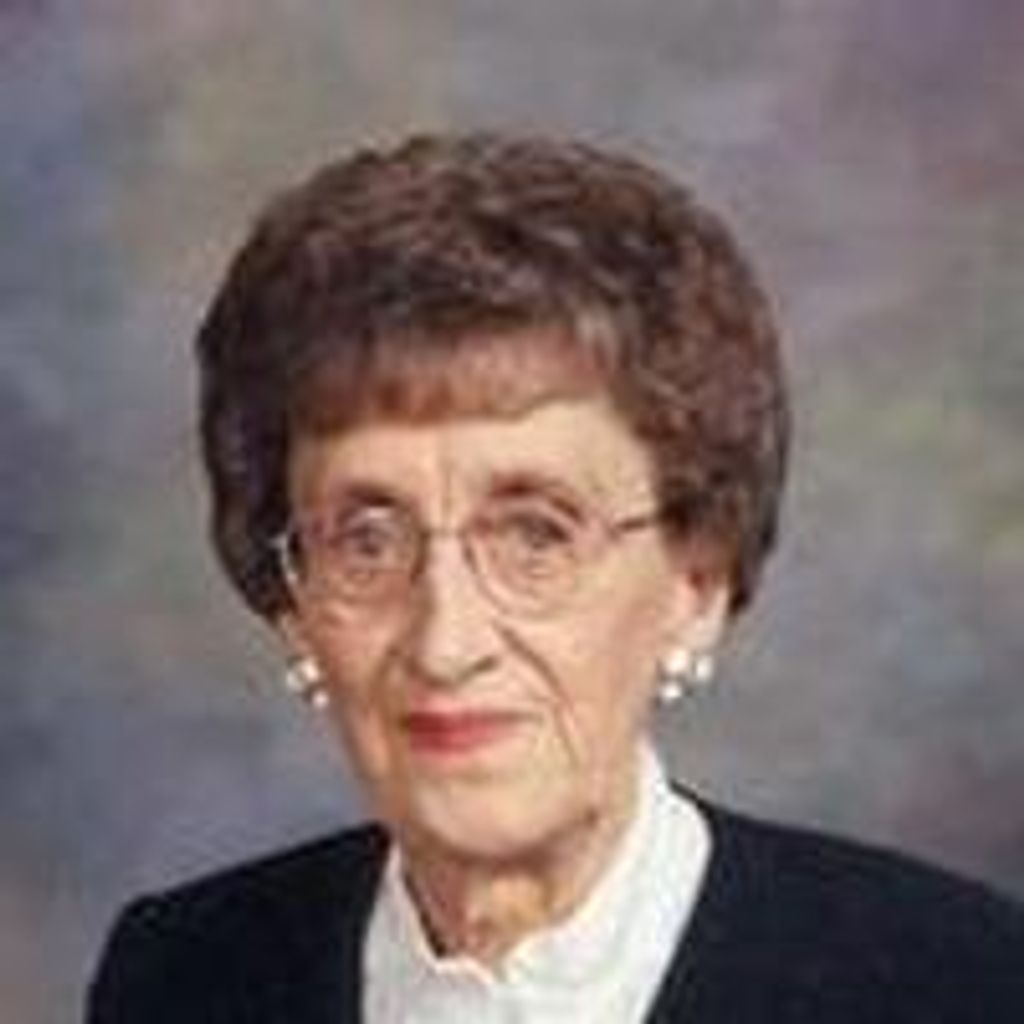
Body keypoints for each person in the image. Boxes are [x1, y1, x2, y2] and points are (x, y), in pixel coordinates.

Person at [88, 133, 1024, 1023]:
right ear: (293, 603)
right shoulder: (182, 974)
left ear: (697, 583)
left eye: (535, 535)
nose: (446, 644)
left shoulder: (957, 984)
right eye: (367, 540)